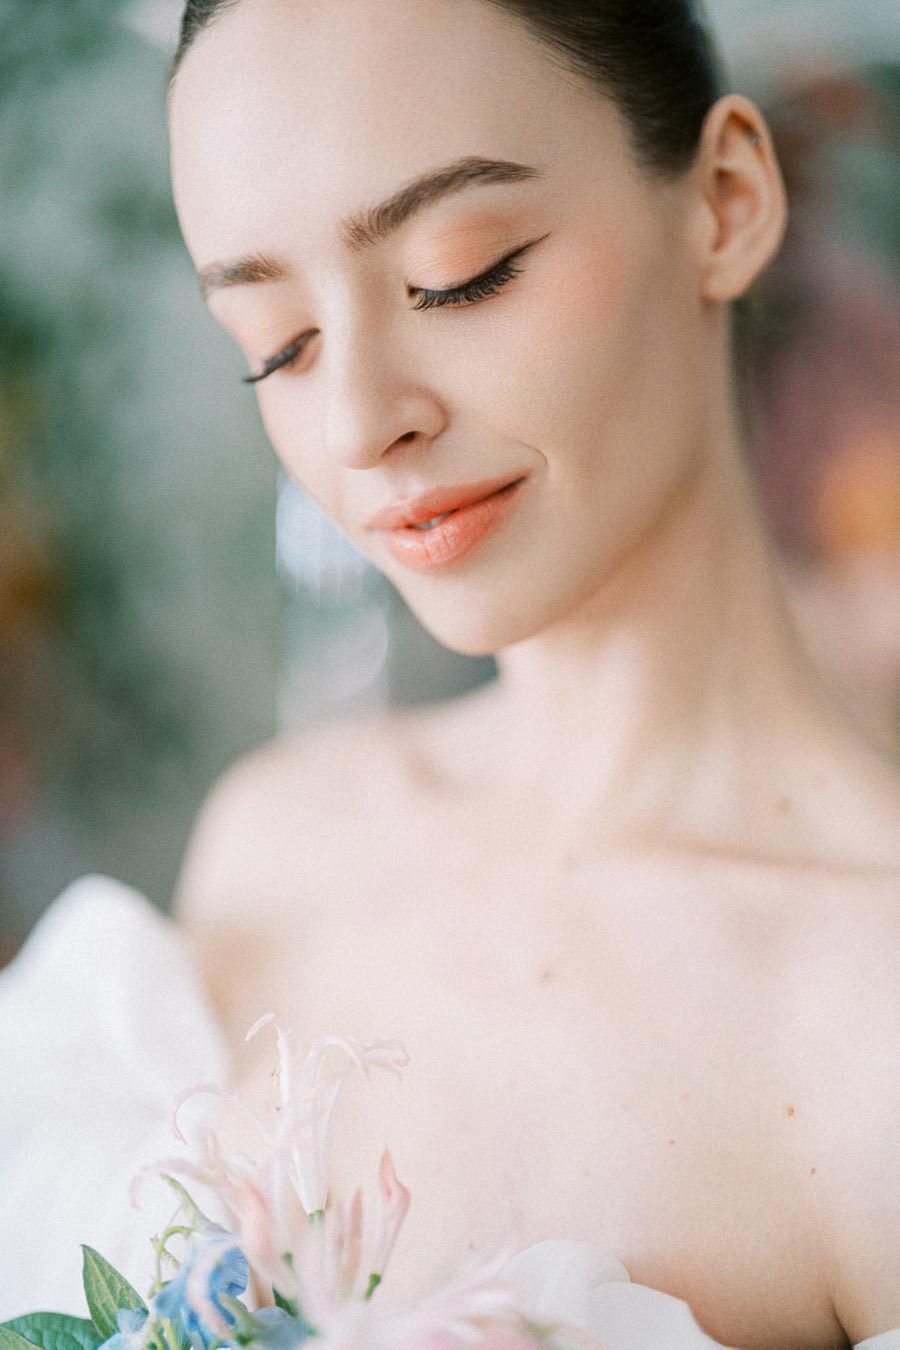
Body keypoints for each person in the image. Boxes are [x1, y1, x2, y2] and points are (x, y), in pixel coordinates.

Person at [6, 0, 894, 1342]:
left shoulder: (866, 1016)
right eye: (279, 345)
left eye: (459, 273)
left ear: (723, 201)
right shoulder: (277, 839)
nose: (361, 419)